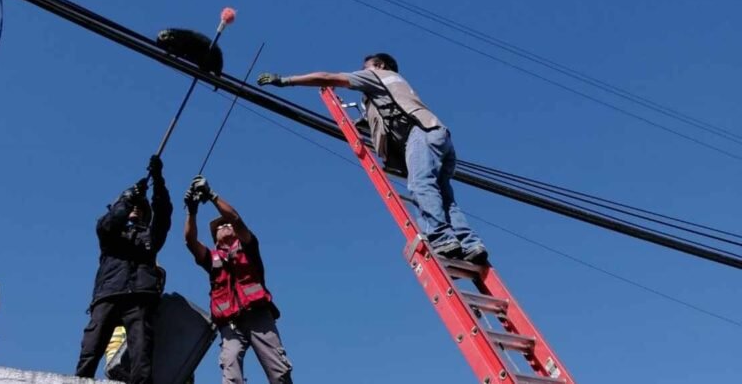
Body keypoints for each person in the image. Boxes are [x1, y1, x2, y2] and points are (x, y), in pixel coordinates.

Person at [257, 53, 487, 264]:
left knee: (420, 185)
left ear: (379, 65)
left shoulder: (377, 75)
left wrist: (285, 80)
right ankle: (470, 245)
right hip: (438, 135)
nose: (361, 72)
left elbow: (328, 77)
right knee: (444, 196)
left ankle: (442, 239)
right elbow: (383, 117)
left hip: (421, 133)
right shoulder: (392, 88)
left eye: (364, 68)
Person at [183, 176, 293, 384]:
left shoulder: (248, 247)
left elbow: (235, 219)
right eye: (218, 226)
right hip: (231, 325)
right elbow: (190, 241)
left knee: (279, 372)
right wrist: (191, 211)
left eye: (226, 224)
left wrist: (212, 195)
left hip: (258, 316)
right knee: (230, 372)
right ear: (214, 238)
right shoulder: (211, 258)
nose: (224, 226)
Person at [76, 155, 173, 384]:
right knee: (91, 347)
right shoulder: (109, 233)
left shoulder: (150, 236)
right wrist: (128, 198)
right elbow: (109, 223)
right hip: (108, 293)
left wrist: (158, 180)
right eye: (134, 206)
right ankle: (79, 381)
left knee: (141, 352)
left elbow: (164, 213)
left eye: (141, 207)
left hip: (139, 296)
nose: (137, 210)